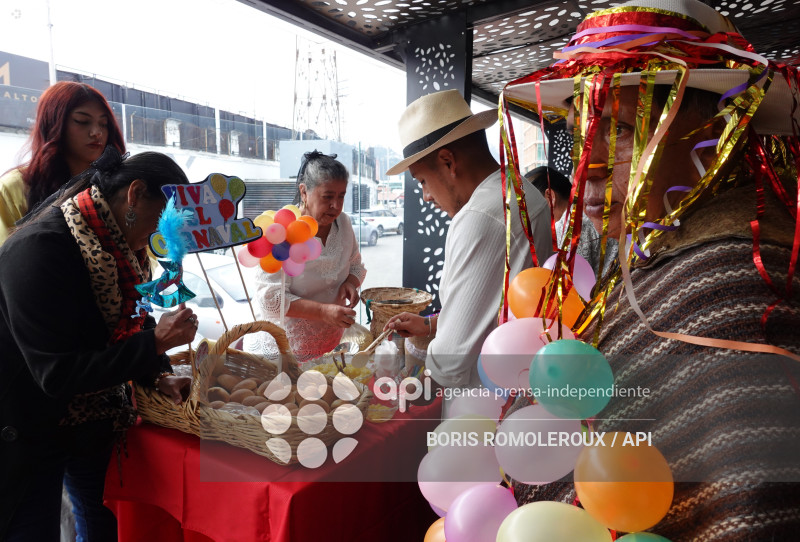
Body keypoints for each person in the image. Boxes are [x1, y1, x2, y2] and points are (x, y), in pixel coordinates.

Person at [503, 0, 800, 538]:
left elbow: (749, 505)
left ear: (716, 132)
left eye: (619, 129)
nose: (586, 166)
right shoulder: (656, 246)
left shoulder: (734, 285)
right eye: (581, 131)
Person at [0, 146, 196, 540]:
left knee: (103, 525)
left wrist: (156, 373)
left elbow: (131, 320)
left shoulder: (122, 246)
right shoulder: (40, 249)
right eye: (161, 221)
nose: (160, 237)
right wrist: (154, 346)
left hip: (95, 418)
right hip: (27, 424)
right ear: (134, 193)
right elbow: (56, 374)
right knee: (32, 528)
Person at [383, 90, 552, 390]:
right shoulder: (520, 188)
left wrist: (405, 383)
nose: (427, 196)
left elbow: (450, 363)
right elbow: (493, 308)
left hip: (483, 405)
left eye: (422, 181)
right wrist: (431, 325)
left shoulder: (479, 217)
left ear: (448, 161)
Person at [245, 151, 366, 364]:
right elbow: (270, 299)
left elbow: (355, 264)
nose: (336, 206)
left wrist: (350, 282)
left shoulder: (344, 224)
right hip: (286, 350)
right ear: (304, 192)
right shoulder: (280, 229)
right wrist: (323, 311)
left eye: (341, 196)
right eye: (328, 197)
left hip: (331, 343)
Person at [0, 81, 126, 245]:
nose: (97, 133)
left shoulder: (118, 185)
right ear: (53, 123)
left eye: (104, 124)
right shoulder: (14, 188)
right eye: (82, 121)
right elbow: (7, 261)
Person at [526, 165, 618, 278]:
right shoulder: (591, 214)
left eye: (529, 209)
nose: (529, 219)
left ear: (550, 197)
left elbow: (566, 292)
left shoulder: (567, 228)